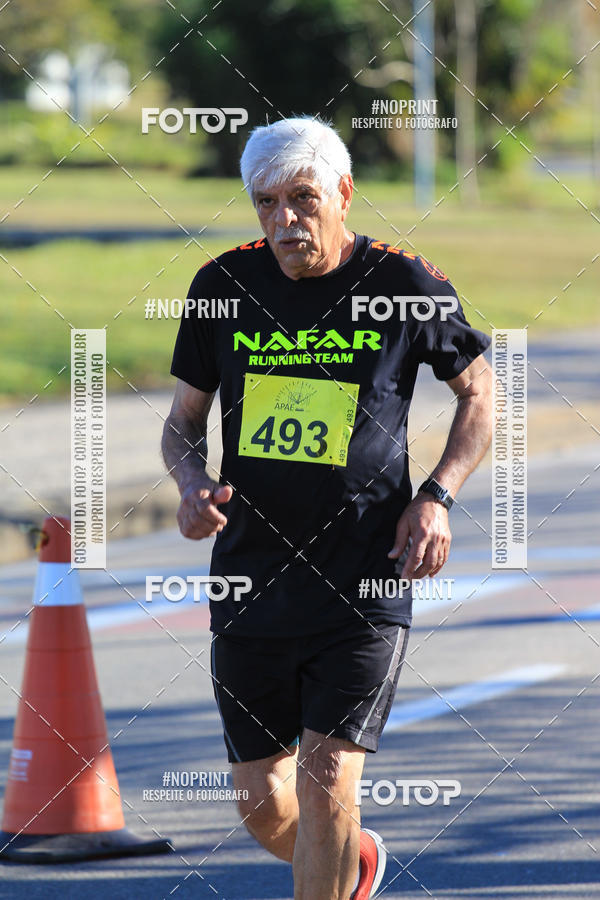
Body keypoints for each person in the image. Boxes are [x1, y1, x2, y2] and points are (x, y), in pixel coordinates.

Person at [162, 116, 492, 900]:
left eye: (303, 198)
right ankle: (357, 864)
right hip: (249, 580)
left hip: (365, 579)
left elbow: (480, 391)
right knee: (261, 805)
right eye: (265, 202)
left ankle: (335, 858)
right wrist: (188, 484)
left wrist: (438, 495)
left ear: (344, 194)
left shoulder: (403, 284)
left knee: (325, 783)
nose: (284, 220)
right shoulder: (222, 286)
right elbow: (182, 425)